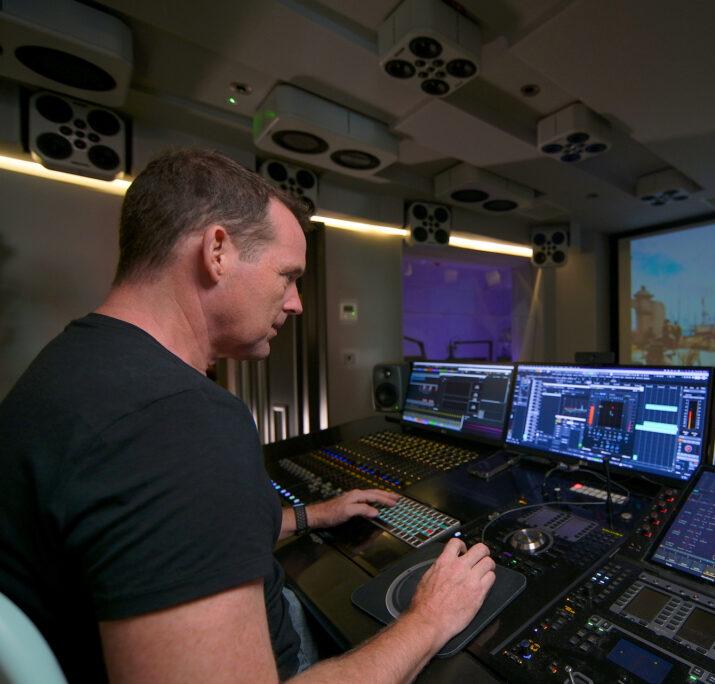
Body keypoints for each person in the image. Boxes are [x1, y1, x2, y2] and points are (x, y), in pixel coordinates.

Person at [0, 148, 495, 683]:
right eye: (288, 276)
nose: (296, 302)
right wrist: (429, 619)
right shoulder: (176, 422)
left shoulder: (74, 365)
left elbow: (150, 532)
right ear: (217, 251)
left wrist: (311, 515)